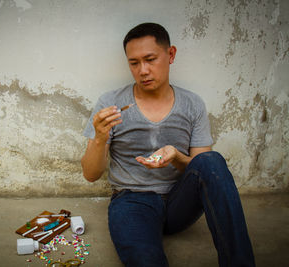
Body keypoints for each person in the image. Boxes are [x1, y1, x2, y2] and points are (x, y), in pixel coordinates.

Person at [80, 22, 255, 267]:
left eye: (150, 59)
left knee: (212, 161)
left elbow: (204, 170)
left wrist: (176, 156)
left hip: (178, 202)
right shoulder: (111, 104)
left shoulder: (192, 104)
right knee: (146, 260)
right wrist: (99, 138)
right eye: (134, 63)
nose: (143, 70)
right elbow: (90, 174)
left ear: (170, 55)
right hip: (132, 201)